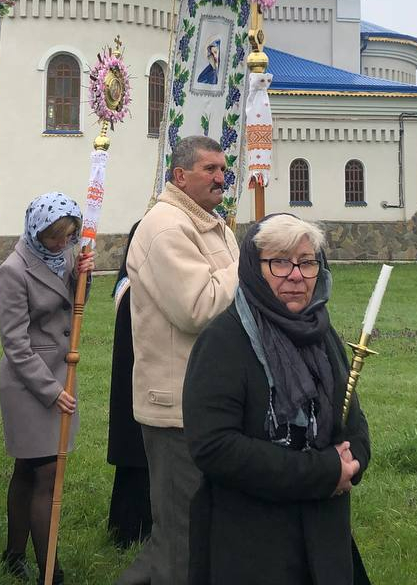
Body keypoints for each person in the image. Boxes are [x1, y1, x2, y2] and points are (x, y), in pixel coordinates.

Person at [183, 214, 371, 585]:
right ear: (255, 269)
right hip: (251, 539)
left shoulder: (322, 334)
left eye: (307, 262)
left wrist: (354, 464)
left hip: (323, 531)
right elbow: (214, 446)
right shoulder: (223, 341)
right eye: (280, 262)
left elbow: (352, 419)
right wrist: (322, 472)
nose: (296, 275)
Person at [119, 136, 240, 585]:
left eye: (223, 169)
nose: (221, 178)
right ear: (179, 176)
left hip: (210, 399)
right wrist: (249, 264)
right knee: (179, 534)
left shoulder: (212, 224)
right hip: (175, 407)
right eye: (210, 169)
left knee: (198, 525)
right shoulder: (167, 228)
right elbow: (198, 307)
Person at [0, 192, 95, 584]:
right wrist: (51, 392)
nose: (61, 244)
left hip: (60, 373)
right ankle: (50, 573)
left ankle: (12, 554)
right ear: (37, 230)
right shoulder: (13, 270)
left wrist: (82, 276)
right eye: (54, 236)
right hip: (30, 385)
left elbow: (75, 306)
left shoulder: (68, 256)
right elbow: (15, 344)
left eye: (68, 236)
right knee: (47, 473)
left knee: (28, 468)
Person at [107, 221, 153, 550]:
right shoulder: (134, 288)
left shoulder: (131, 282)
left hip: (136, 377)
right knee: (137, 456)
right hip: (138, 378)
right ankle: (130, 527)